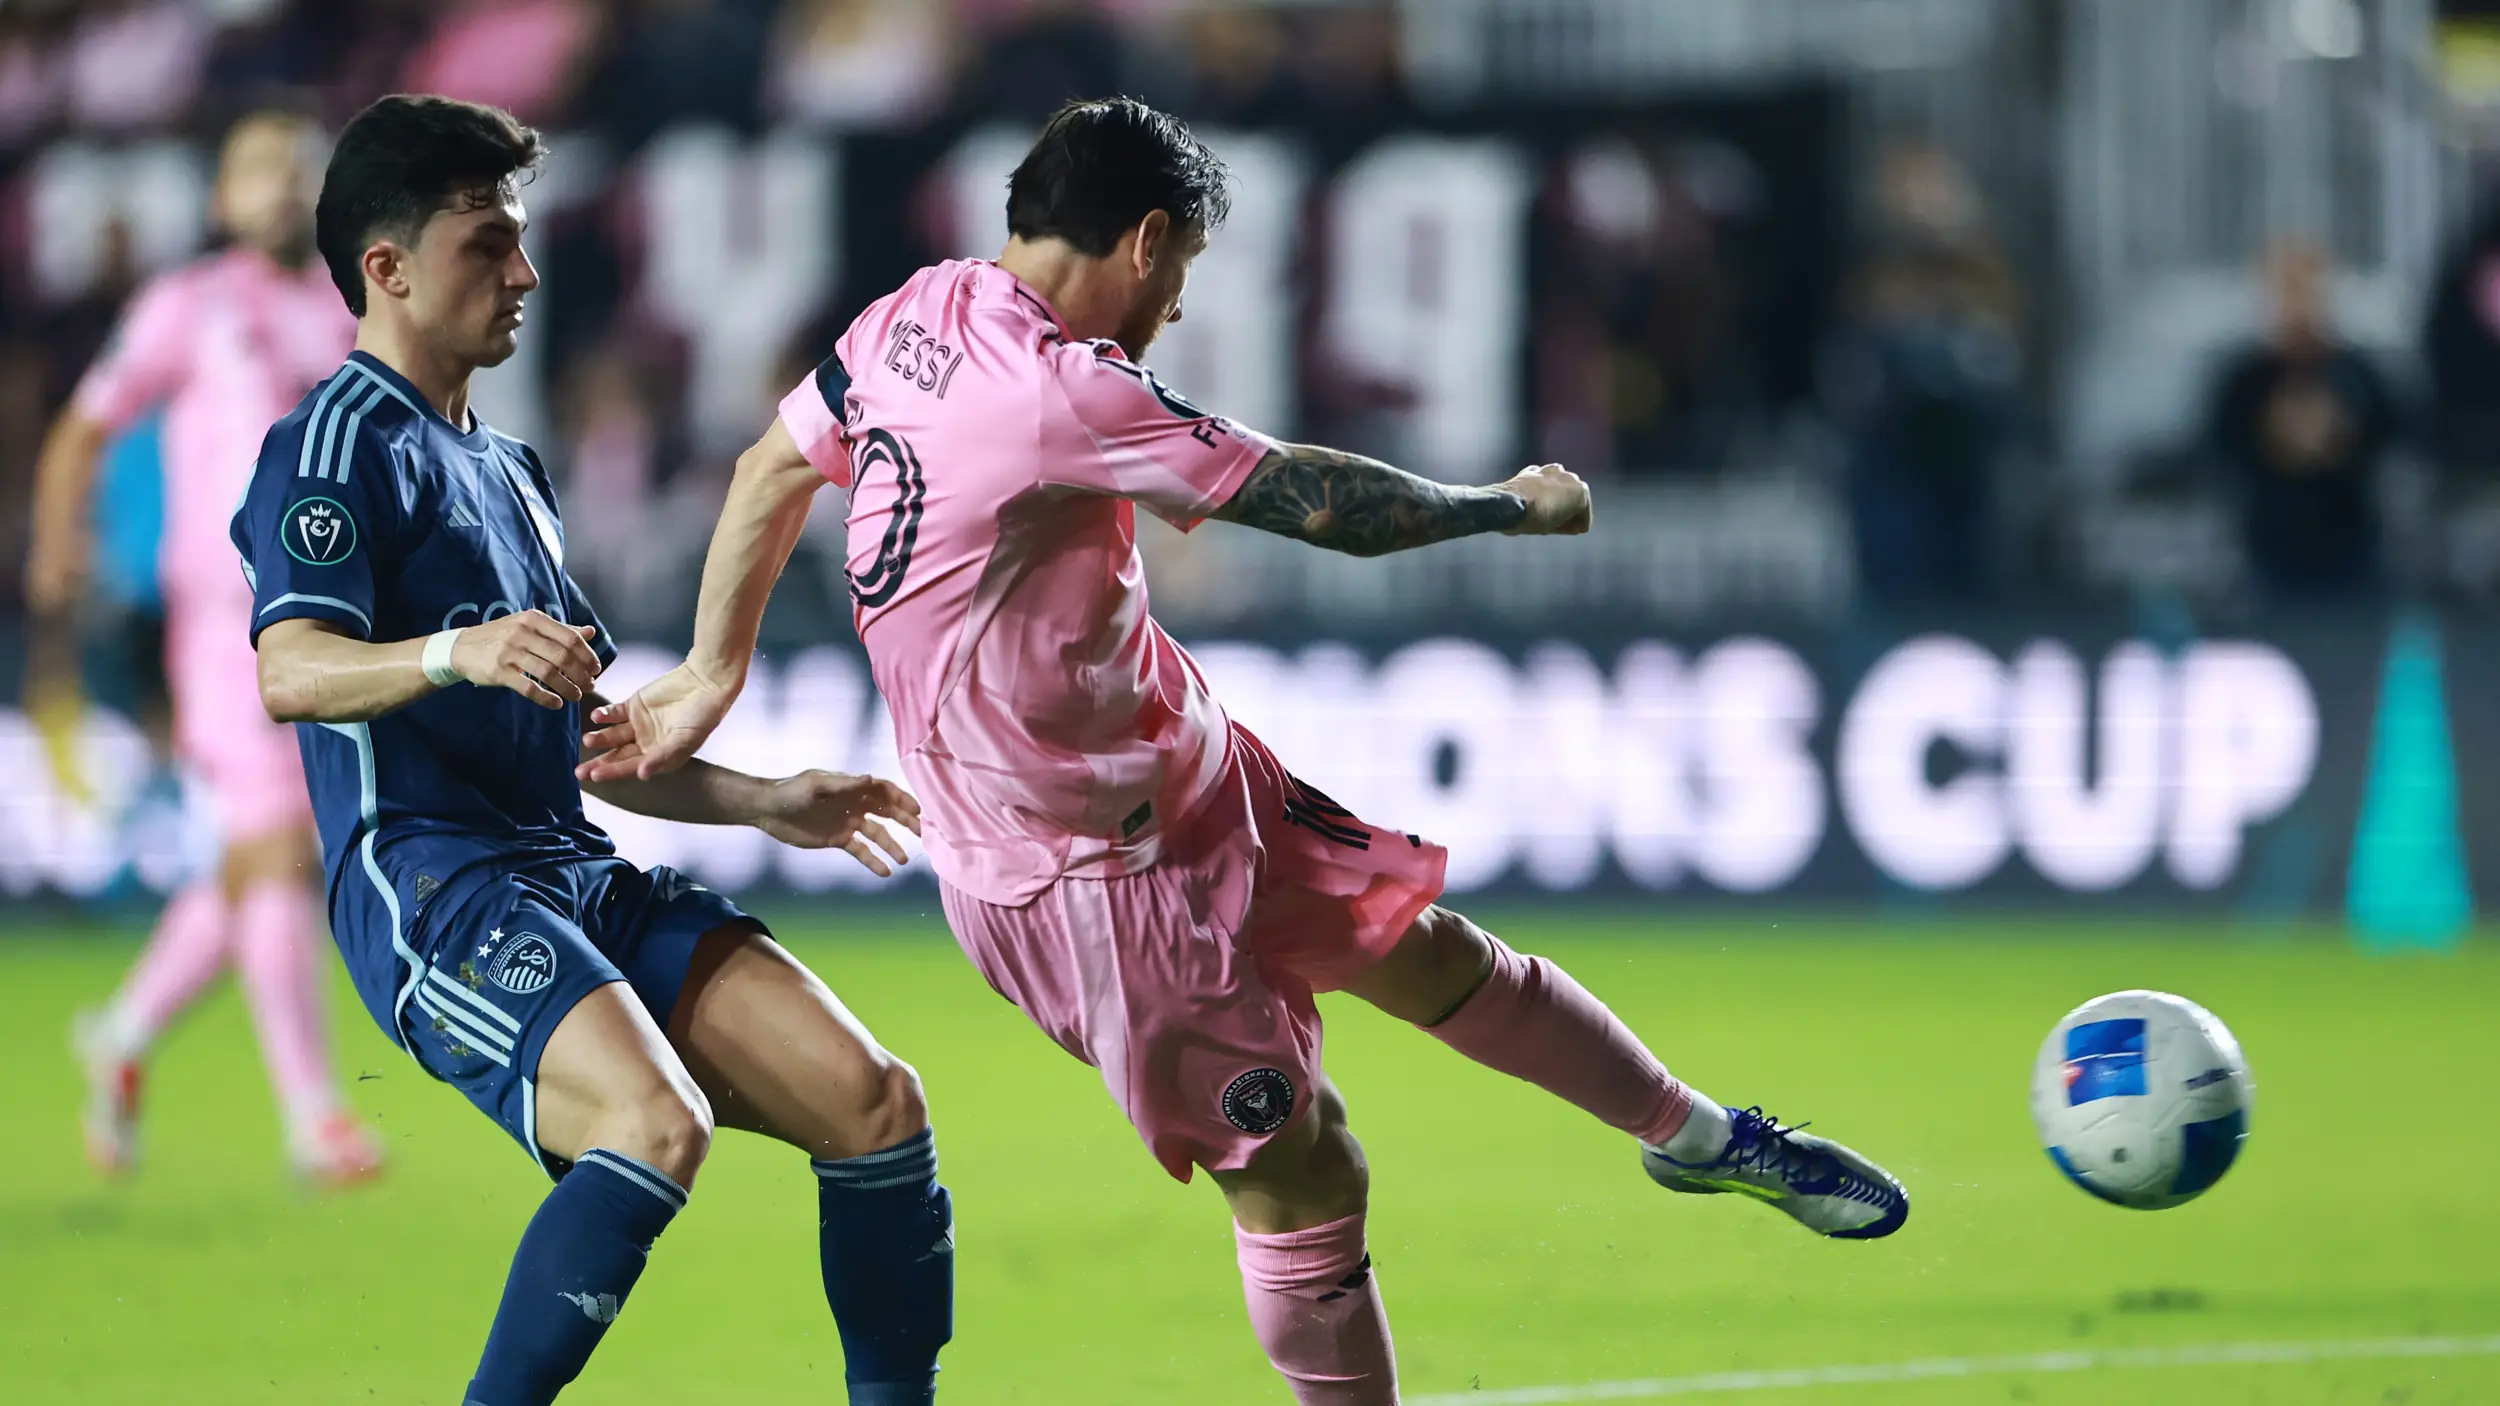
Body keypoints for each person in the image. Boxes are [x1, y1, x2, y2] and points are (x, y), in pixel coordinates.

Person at [589, 97, 1907, 1404]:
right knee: (1303, 1171)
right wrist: (1509, 505)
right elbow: (1326, 505)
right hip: (1088, 882)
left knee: (1431, 952)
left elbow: (771, 467)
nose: (1175, 309)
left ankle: (1698, 1136)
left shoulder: (913, 314)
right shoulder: (1064, 388)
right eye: (1185, 270)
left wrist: (712, 666)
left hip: (1195, 774)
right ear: (1146, 240)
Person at [232, 95, 952, 1406]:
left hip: (571, 869)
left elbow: (589, 740)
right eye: (486, 244)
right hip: (434, 886)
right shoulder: (330, 443)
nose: (524, 273)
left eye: (519, 240)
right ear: (387, 267)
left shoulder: (511, 469)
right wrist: (454, 650)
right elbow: (291, 669)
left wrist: (761, 798)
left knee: (876, 1103)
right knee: (654, 1122)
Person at [26, 110, 383, 1186]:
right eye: (258, 169)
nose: (280, 186)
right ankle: (315, 1117)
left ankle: (123, 1032)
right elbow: (86, 424)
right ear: (222, 197)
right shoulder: (187, 307)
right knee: (275, 850)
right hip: (225, 623)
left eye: (296, 168)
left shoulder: (354, 310)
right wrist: (57, 541)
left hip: (338, 614)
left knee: (264, 859)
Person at [2206, 238, 2400, 599]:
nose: (2298, 307)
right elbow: (2222, 452)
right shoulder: (2243, 381)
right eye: (2287, 292)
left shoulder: (2359, 375)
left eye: (2308, 291)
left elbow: (2392, 443)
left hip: (2352, 549)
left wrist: (2339, 432)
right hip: (2269, 553)